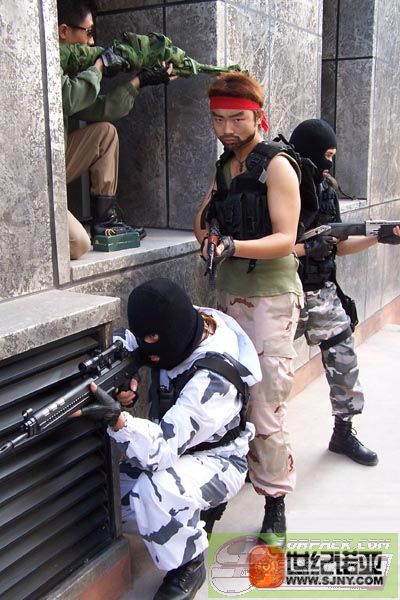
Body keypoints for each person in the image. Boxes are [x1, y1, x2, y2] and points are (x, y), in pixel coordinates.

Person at [77, 277, 261, 600]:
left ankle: (189, 562)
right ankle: (187, 514)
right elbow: (130, 341)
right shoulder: (182, 321)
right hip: (174, 447)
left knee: (154, 494)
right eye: (144, 338)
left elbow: (162, 448)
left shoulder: (213, 378)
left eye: (153, 339)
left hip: (219, 460)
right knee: (108, 500)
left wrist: (117, 419)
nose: (148, 346)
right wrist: (122, 371)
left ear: (174, 331)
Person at [194, 72, 304, 546]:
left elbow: (285, 239)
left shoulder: (276, 166)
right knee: (226, 397)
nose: (226, 129)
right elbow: (200, 223)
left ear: (259, 116)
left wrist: (234, 246)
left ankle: (275, 501)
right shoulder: (225, 167)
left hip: (271, 300)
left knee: (265, 405)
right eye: (218, 119)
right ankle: (222, 487)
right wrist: (211, 238)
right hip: (228, 297)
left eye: (237, 118)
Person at [290, 118, 400, 467]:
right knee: (266, 372)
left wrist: (379, 237)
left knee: (344, 358)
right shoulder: (279, 184)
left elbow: (340, 243)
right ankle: (256, 446)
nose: (330, 165)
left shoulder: (325, 190)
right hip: (282, 293)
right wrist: (306, 248)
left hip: (321, 291)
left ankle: (343, 432)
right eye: (326, 156)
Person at [57, 0, 175, 259]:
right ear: (63, 31)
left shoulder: (66, 67)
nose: (91, 42)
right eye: (88, 32)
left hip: (54, 167)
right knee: (78, 243)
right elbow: (69, 98)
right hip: (32, 180)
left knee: (105, 133)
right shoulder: (42, 63)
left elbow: (99, 109)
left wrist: (139, 81)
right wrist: (98, 66)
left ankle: (105, 222)